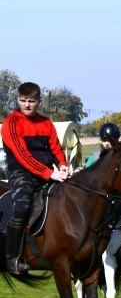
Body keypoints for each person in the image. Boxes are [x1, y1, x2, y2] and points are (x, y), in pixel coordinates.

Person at [1, 82, 69, 274]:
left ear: (39, 102)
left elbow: (55, 148)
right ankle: (12, 258)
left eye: (31, 101)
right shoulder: (11, 123)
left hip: (48, 171)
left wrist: (62, 165)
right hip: (21, 173)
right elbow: (23, 157)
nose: (26, 105)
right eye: (23, 100)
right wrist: (50, 173)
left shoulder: (46, 123)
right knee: (21, 206)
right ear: (18, 100)